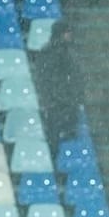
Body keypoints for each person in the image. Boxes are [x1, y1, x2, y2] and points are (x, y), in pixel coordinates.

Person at [33, 21, 83, 151]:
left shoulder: (68, 52)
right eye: (67, 32)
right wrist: (51, 100)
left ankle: (62, 165)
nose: (70, 35)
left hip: (68, 102)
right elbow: (44, 79)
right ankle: (56, 166)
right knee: (54, 138)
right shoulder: (49, 52)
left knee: (67, 138)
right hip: (57, 103)